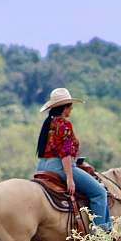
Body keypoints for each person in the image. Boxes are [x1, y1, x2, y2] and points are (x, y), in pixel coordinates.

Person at [36, 88, 112, 232]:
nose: (71, 109)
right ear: (64, 108)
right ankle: (100, 233)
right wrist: (70, 177)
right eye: (70, 106)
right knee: (99, 192)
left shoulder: (48, 124)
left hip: (42, 166)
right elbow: (65, 153)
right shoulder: (64, 125)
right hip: (60, 167)